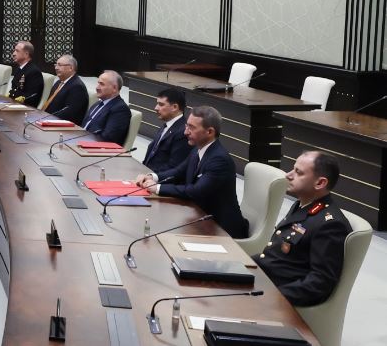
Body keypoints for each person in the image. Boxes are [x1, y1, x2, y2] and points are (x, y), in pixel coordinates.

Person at [254, 151, 351, 306]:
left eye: (298, 173)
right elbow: (276, 256)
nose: (288, 175)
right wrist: (241, 263)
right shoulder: (303, 204)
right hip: (265, 280)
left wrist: (273, 297)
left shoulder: (330, 224)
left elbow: (320, 282)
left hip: (280, 297)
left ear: (320, 183)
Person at [136, 106, 249, 238]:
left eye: (192, 128)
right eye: (186, 126)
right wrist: (152, 177)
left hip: (221, 229)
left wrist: (157, 188)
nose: (185, 132)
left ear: (210, 132)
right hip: (200, 218)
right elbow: (178, 172)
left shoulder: (219, 160)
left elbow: (196, 191)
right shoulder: (197, 150)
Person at [142, 89, 191, 173]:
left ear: (175, 107)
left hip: (157, 178)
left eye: (161, 104)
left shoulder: (182, 132)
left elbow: (173, 167)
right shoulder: (167, 125)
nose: (156, 108)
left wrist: (150, 175)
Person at [81, 70, 132, 144]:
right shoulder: (98, 103)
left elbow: (107, 138)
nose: (97, 87)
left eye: (102, 84)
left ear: (114, 88)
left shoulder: (120, 109)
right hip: (80, 141)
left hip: (93, 147)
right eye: (98, 83)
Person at [41, 55, 88, 125]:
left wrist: (45, 120)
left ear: (71, 68)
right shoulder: (58, 82)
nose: (56, 68)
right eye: (56, 65)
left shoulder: (77, 87)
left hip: (60, 125)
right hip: (46, 119)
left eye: (60, 65)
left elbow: (69, 113)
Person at [6, 41, 44, 106]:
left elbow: (32, 97)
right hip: (14, 104)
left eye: (17, 51)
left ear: (26, 54)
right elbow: (14, 89)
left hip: (25, 107)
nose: (13, 54)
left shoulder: (34, 72)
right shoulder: (19, 69)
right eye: (14, 51)